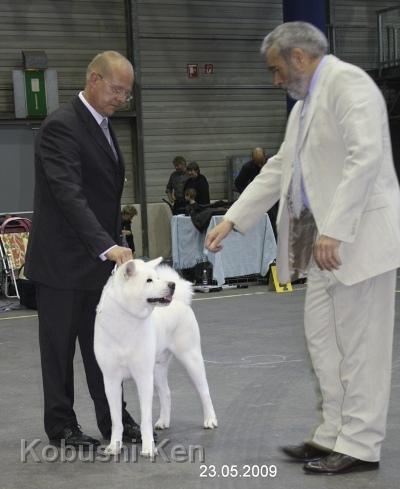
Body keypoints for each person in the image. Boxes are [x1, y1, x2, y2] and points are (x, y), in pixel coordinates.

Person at [205, 22, 400, 475]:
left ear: (298, 56)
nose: (275, 80)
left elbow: (365, 156)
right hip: (322, 249)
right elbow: (279, 168)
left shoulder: (350, 85)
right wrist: (233, 218)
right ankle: (332, 434)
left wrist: (336, 228)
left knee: (361, 349)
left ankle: (361, 445)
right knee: (324, 346)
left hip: (357, 241)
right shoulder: (303, 109)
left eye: (276, 69)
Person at [25, 51, 142, 449]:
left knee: (105, 352)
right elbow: (69, 195)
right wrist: (106, 245)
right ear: (93, 79)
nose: (120, 99)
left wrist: (118, 242)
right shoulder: (61, 126)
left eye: (126, 94)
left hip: (97, 266)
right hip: (60, 266)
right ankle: (61, 427)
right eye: (115, 89)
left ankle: (116, 423)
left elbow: (104, 197)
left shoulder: (105, 127)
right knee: (58, 354)